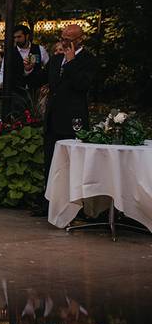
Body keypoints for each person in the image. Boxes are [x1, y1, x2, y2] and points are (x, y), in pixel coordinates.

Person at [35, 24, 95, 216]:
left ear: (80, 40)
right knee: (51, 164)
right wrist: (29, 70)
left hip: (73, 121)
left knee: (72, 167)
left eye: (69, 39)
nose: (64, 42)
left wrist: (71, 63)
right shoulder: (56, 59)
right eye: (62, 38)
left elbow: (82, 85)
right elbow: (42, 80)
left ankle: (74, 209)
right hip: (53, 119)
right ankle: (49, 205)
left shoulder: (87, 59)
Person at [0, 24, 49, 119]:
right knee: (19, 117)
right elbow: (3, 70)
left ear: (27, 36)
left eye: (19, 36)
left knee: (37, 117)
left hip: (35, 90)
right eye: (15, 37)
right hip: (17, 91)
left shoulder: (40, 49)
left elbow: (48, 67)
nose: (16, 40)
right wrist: (2, 85)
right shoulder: (10, 52)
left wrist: (46, 84)